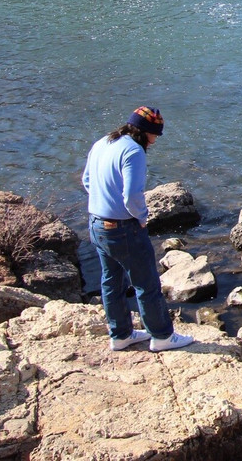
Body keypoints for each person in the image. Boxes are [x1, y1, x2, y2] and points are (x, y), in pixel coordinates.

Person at [83, 106, 194, 352]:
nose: (155, 141)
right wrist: (141, 216)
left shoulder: (103, 142)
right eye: (155, 135)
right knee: (146, 283)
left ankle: (120, 335)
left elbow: (87, 181)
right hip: (123, 228)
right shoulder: (134, 151)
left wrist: (104, 202)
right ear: (145, 132)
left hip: (96, 224)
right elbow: (132, 195)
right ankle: (162, 336)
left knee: (111, 282)